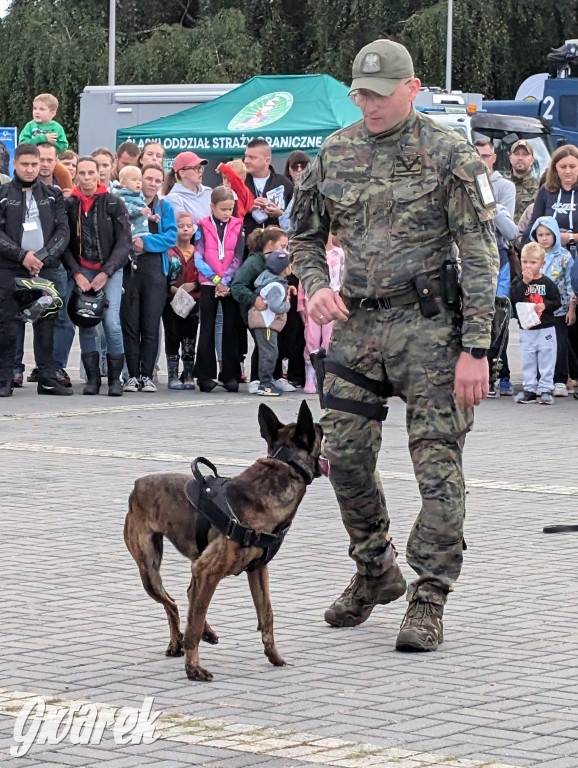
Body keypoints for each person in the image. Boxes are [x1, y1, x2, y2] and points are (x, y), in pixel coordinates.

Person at [291, 39, 498, 652]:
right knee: (343, 458)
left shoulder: (450, 155)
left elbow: (481, 255)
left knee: (436, 465)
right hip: (358, 328)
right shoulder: (337, 150)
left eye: (381, 95)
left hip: (431, 331)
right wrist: (313, 287)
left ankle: (429, 596)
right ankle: (375, 570)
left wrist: (477, 349)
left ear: (413, 87)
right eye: (361, 94)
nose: (370, 105)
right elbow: (300, 235)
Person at [0, 144, 70, 397]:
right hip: (10, 269)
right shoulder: (3, 193)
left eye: (34, 164)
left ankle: (48, 379)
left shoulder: (53, 194)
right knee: (7, 325)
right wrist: (22, 256)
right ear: (15, 165)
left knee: (47, 323)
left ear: (41, 164)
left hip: (45, 268)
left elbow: (63, 231)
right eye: (25, 164)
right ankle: (4, 379)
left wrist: (40, 257)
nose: (30, 169)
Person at [61, 156, 132, 396]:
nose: (88, 178)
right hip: (82, 271)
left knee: (111, 322)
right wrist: (77, 273)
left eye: (92, 173)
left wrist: (106, 272)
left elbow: (124, 243)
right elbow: (64, 244)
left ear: (100, 174)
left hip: (109, 270)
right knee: (86, 321)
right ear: (76, 176)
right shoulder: (70, 205)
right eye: (82, 173)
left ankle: (115, 379)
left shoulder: (113, 203)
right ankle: (93, 379)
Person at [120, 163, 177, 393]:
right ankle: (132, 375)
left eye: (157, 180)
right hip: (130, 270)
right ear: (138, 179)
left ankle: (147, 374)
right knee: (131, 324)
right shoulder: (123, 202)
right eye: (148, 179)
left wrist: (146, 243)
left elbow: (171, 236)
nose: (152, 184)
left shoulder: (164, 207)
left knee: (151, 325)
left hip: (155, 271)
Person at [475, 139, 517, 397]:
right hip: (473, 264)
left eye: (486, 156)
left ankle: (502, 373)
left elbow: (512, 232)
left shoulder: (501, 198)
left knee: (499, 319)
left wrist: (493, 209)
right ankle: (484, 374)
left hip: (498, 263)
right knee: (476, 318)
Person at [193, 185, 244, 392]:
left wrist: (226, 281)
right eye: (222, 209)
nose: (226, 213)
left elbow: (239, 256)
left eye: (230, 209)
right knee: (207, 327)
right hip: (208, 283)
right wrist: (215, 280)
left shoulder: (239, 226)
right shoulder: (202, 227)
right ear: (212, 206)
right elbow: (198, 257)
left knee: (231, 327)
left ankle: (230, 374)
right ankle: (204, 375)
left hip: (229, 284)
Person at [231, 226, 291, 393]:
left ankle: (273, 377)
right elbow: (237, 286)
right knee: (265, 346)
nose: (285, 251)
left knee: (271, 346)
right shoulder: (254, 262)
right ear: (270, 245)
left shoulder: (277, 261)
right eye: (283, 246)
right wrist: (253, 299)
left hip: (272, 315)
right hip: (259, 314)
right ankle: (260, 380)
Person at [529, 216, 576, 396]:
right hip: (538, 311)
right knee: (541, 346)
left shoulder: (564, 257)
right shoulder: (532, 256)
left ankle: (561, 380)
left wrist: (572, 308)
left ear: (555, 234)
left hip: (560, 309)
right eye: (540, 234)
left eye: (548, 234)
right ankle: (543, 380)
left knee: (560, 345)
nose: (544, 238)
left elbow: (571, 284)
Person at [511, 242, 561, 404]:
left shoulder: (547, 283)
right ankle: (529, 390)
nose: (528, 266)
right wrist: (524, 282)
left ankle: (546, 389)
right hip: (527, 329)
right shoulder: (519, 281)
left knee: (547, 357)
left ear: (542, 263)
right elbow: (514, 297)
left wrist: (545, 305)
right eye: (525, 262)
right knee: (528, 359)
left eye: (533, 262)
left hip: (545, 328)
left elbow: (557, 301)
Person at [298, 233, 344, 393]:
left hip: (334, 300)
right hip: (313, 300)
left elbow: (344, 277)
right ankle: (310, 375)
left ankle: (326, 376)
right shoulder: (312, 255)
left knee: (329, 340)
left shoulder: (340, 254)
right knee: (311, 339)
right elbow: (302, 280)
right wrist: (301, 304)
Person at [248, 250, 293, 396]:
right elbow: (275, 306)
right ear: (284, 269)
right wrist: (287, 305)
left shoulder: (271, 281)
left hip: (266, 324)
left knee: (268, 352)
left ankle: (266, 381)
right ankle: (265, 384)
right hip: (267, 324)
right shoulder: (275, 285)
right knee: (270, 353)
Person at [164, 211, 199, 390]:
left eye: (188, 225)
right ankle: (172, 374)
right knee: (172, 335)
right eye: (180, 226)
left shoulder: (198, 251)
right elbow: (162, 275)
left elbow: (206, 274)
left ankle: (188, 373)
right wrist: (172, 288)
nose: (185, 229)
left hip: (193, 301)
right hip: (171, 301)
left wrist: (194, 285)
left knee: (190, 337)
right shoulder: (169, 252)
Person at [243, 139, 293, 237]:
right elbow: (226, 213)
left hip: (276, 245)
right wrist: (247, 209)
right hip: (246, 247)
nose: (246, 161)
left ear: (267, 160)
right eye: (246, 156)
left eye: (252, 157)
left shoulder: (284, 183)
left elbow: (297, 219)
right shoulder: (240, 183)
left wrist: (280, 214)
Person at [163, 151, 211, 224]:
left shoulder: (209, 192)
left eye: (201, 168)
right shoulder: (173, 198)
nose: (200, 171)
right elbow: (185, 228)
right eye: (196, 168)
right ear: (182, 173)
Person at [113, 166, 159, 241]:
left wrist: (150, 217)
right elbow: (125, 210)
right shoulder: (122, 196)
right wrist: (139, 211)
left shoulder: (139, 195)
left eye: (140, 180)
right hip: (131, 233)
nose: (138, 182)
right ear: (123, 184)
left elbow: (143, 210)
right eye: (134, 180)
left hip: (143, 230)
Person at [509, 140, 539, 223]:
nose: (520, 158)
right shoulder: (502, 186)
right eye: (516, 154)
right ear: (510, 158)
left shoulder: (540, 187)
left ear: (532, 160)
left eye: (525, 154)